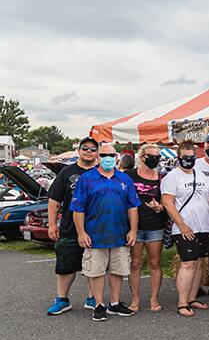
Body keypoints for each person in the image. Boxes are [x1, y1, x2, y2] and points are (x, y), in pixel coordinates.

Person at [71, 143, 140, 322]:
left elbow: (133, 207)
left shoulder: (125, 179)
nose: (107, 158)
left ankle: (115, 303)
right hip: (95, 234)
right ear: (97, 157)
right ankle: (99, 304)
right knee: (96, 271)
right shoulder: (86, 179)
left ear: (117, 157)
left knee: (118, 270)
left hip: (120, 234)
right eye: (103, 155)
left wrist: (133, 230)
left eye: (111, 155)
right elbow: (78, 208)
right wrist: (81, 233)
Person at [161, 141, 209, 317]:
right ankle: (182, 303)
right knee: (188, 263)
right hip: (184, 226)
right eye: (185, 157)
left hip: (204, 225)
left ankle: (192, 298)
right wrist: (182, 225)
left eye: (191, 157)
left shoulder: (201, 175)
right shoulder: (172, 177)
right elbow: (167, 203)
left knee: (199, 262)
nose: (188, 160)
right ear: (178, 157)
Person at [46, 137, 98, 316]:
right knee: (65, 264)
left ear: (97, 153)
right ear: (79, 150)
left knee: (94, 265)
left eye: (93, 149)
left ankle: (93, 298)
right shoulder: (67, 172)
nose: (89, 152)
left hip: (96, 228)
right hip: (69, 227)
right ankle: (62, 299)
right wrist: (52, 224)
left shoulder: (102, 173)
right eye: (85, 148)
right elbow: (54, 200)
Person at [126, 143, 166, 312]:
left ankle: (154, 298)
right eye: (152, 156)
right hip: (134, 226)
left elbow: (167, 200)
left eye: (158, 157)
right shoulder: (129, 175)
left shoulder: (162, 177)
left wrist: (160, 207)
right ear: (142, 157)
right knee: (135, 263)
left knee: (155, 263)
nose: (155, 160)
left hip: (154, 226)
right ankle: (135, 299)